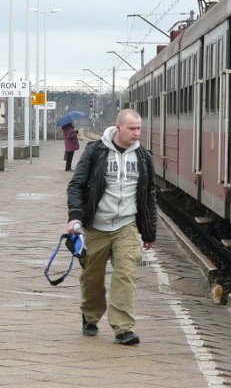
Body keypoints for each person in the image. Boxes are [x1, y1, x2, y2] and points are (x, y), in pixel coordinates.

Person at [66, 109, 157, 345]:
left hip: (126, 226)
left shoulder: (143, 157)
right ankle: (90, 315)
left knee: (126, 274)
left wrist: (148, 232)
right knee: (92, 279)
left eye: (139, 128)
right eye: (132, 129)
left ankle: (123, 328)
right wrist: (75, 217)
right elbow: (76, 185)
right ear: (118, 128)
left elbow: (149, 196)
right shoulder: (95, 152)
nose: (137, 133)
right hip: (96, 226)